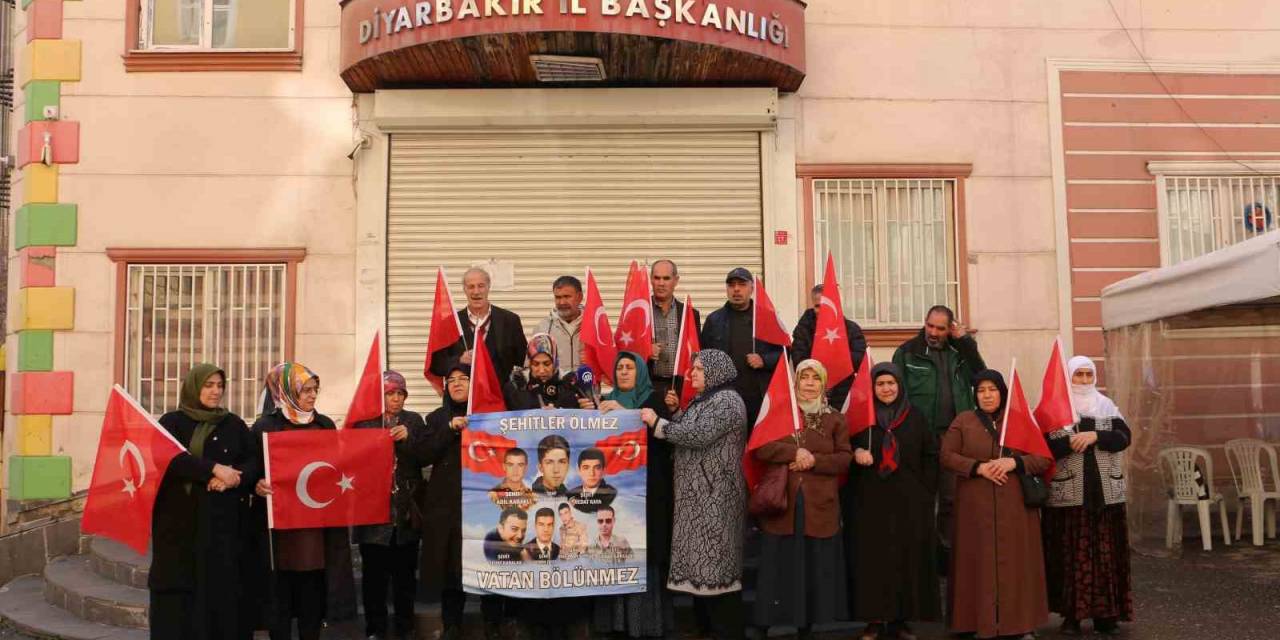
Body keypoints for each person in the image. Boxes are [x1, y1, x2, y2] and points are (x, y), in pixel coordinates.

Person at [640, 349, 748, 640]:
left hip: (716, 498)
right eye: (693, 368)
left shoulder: (726, 400)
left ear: (715, 371)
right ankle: (708, 629)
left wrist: (657, 422)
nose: (692, 373)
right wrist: (676, 413)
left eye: (699, 368)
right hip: (698, 499)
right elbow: (689, 427)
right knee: (704, 570)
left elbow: (697, 435)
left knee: (717, 569)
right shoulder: (705, 400)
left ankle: (726, 631)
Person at [250, 363, 357, 640]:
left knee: (312, 590)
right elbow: (250, 468)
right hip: (279, 529)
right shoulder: (265, 426)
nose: (312, 396)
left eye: (314, 390)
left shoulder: (324, 425)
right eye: (305, 390)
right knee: (280, 594)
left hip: (315, 527)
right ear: (285, 391)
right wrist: (256, 484)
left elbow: (335, 468)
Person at [940, 370, 1050, 640]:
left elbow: (1043, 458)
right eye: (981, 390)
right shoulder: (963, 421)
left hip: (1015, 509)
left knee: (1017, 565)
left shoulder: (1020, 420)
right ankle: (975, 622)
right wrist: (978, 468)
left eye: (992, 389)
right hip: (974, 509)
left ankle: (1021, 624)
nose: (987, 395)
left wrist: (1014, 462)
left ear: (1002, 392)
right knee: (976, 563)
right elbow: (946, 455)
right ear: (974, 394)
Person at [149, 363, 253, 640]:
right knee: (179, 598)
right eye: (208, 385)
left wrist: (234, 478)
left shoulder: (234, 424)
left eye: (219, 385)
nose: (215, 391)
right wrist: (213, 469)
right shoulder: (171, 422)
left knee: (219, 593)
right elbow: (168, 457)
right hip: (180, 527)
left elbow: (253, 460)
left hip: (222, 527)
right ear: (194, 387)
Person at [750, 360, 852, 640]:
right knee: (779, 564)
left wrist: (813, 460)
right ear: (795, 382)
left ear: (823, 384)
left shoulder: (834, 418)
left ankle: (807, 625)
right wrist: (793, 454)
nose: (809, 383)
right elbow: (760, 448)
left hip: (819, 505)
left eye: (815, 378)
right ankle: (767, 623)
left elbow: (844, 459)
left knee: (812, 565)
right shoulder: (780, 414)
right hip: (785, 503)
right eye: (804, 377)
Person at [846, 363, 941, 640]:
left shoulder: (916, 418)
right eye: (880, 384)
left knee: (904, 560)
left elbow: (931, 456)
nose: (886, 389)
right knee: (873, 561)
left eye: (891, 383)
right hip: (869, 502)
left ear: (900, 386)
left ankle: (901, 620)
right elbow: (844, 448)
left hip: (909, 503)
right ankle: (874, 620)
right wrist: (857, 450)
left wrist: (925, 491)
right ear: (872, 388)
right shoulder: (862, 418)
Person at [1042, 356, 1134, 636]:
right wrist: (1070, 441)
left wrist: (1095, 435)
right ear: (1068, 377)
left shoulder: (1106, 406)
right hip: (1070, 497)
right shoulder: (1056, 408)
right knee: (1070, 556)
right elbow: (1044, 447)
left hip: (1106, 497)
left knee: (1106, 556)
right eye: (1077, 375)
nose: (1083, 380)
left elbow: (1123, 437)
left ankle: (1106, 615)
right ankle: (1072, 615)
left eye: (1087, 375)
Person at [593, 351, 679, 639]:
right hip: (615, 496)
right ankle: (614, 623)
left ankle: (647, 624)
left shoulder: (655, 401)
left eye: (630, 367)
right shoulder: (605, 402)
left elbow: (667, 439)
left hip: (649, 492)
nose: (624, 372)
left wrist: (626, 415)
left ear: (640, 372)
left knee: (646, 554)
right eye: (619, 368)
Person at [422, 363, 511, 640]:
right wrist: (450, 428)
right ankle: (452, 624)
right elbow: (424, 453)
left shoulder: (492, 417)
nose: (457, 384)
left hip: (486, 504)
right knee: (451, 567)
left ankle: (493, 624)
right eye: (452, 380)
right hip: (448, 506)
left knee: (490, 560)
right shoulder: (436, 418)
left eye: (464, 379)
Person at [892, 304, 985, 567]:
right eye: (929, 325)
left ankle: (947, 557)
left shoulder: (960, 353)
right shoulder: (906, 353)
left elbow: (981, 378)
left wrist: (966, 343)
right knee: (920, 500)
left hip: (954, 440)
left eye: (940, 328)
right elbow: (896, 396)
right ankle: (920, 557)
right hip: (920, 438)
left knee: (950, 499)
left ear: (950, 329)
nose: (933, 332)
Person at [351, 371, 429, 640]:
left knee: (405, 579)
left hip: (405, 514)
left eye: (400, 394)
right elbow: (352, 459)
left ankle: (405, 628)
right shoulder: (363, 423)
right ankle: (376, 629)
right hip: (373, 515)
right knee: (374, 580)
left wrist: (409, 438)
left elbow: (423, 457)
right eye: (390, 393)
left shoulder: (414, 421)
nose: (395, 399)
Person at [701, 268, 783, 426]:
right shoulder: (714, 320)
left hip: (759, 398)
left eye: (742, 284)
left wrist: (764, 360)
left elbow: (784, 353)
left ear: (752, 288)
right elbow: (704, 359)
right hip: (724, 397)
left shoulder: (767, 318)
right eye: (731, 285)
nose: (736, 289)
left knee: (758, 447)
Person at [428, 267, 528, 384]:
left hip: (502, 398)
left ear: (488, 287)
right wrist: (459, 360)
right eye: (471, 287)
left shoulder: (510, 321)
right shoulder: (450, 323)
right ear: (464, 289)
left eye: (481, 286)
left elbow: (523, 361)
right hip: (463, 400)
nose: (476, 291)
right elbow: (436, 365)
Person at [791, 284, 868, 409]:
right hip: (812, 394)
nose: (822, 310)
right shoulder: (803, 329)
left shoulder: (851, 329)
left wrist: (838, 355)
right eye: (817, 306)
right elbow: (799, 362)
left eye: (826, 306)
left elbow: (861, 360)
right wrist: (820, 358)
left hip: (843, 392)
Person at [649, 259, 701, 399]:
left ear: (676, 280)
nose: (661, 283)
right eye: (657, 278)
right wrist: (645, 350)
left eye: (666, 278)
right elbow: (626, 351)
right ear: (651, 280)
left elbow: (697, 353)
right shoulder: (641, 312)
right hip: (648, 388)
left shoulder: (689, 314)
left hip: (680, 386)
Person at [504, 333, 582, 410]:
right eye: (536, 364)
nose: (541, 370)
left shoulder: (570, 384)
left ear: (555, 362)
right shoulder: (516, 387)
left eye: (547, 364)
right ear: (530, 364)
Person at [534, 275, 585, 376]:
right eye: (558, 297)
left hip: (587, 390)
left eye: (567, 297)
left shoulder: (593, 327)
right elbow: (532, 365)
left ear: (579, 297)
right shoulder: (543, 328)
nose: (562, 302)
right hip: (555, 390)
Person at [567, 448, 617, 513]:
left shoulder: (610, 493)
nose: (591, 473)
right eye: (586, 468)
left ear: (603, 471)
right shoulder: (571, 494)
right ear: (578, 470)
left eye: (597, 468)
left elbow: (592, 509)